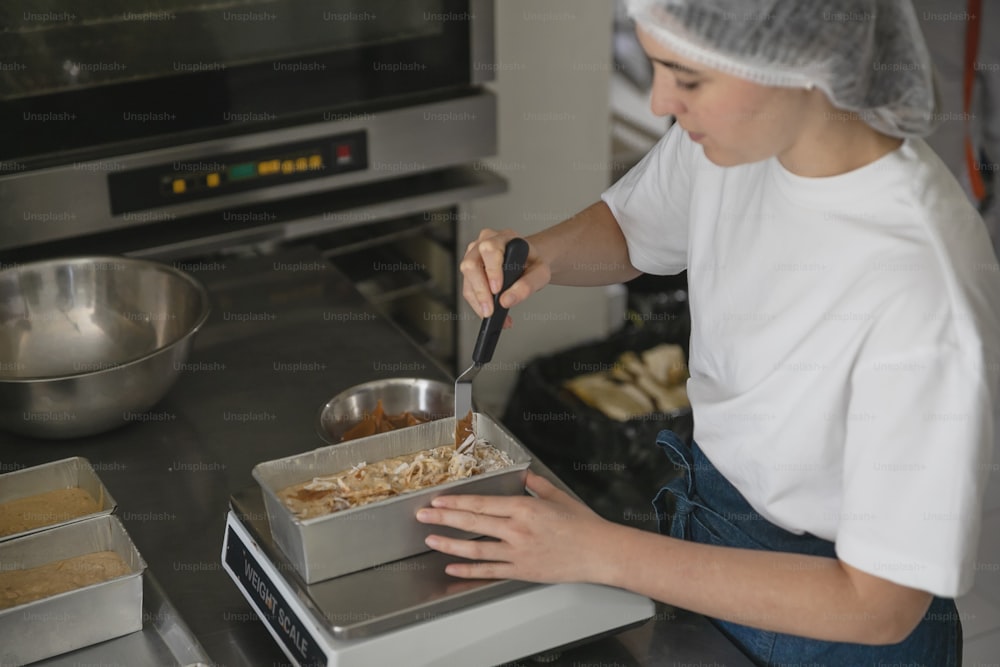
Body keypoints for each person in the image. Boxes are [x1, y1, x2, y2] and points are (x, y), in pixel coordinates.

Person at [416, 1, 1000, 665]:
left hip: (836, 631)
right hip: (711, 534)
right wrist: (541, 253)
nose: (662, 102)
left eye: (687, 79)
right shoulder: (743, 143)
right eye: (655, 66)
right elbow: (636, 228)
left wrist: (597, 550)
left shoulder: (922, 287)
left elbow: (880, 604)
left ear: (798, 64)